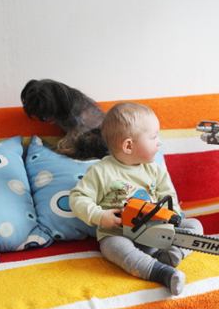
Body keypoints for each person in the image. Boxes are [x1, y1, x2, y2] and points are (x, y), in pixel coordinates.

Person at [69, 102, 203, 295]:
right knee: (112, 246)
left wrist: (174, 216)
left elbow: (168, 195)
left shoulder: (154, 169)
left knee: (195, 226)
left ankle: (171, 254)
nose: (159, 142)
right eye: (154, 137)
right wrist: (100, 216)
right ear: (128, 146)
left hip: (157, 229)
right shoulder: (101, 171)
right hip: (119, 233)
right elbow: (77, 197)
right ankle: (161, 272)